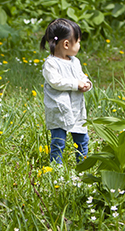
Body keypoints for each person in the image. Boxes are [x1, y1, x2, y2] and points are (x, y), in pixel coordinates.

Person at [40, 18, 92, 163]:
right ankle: (56, 167)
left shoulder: (75, 62)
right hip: (59, 109)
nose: (80, 45)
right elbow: (56, 82)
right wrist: (76, 84)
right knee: (58, 141)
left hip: (76, 107)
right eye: (79, 41)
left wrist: (86, 83)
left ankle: (82, 164)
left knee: (82, 138)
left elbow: (81, 76)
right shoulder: (51, 63)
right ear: (67, 44)